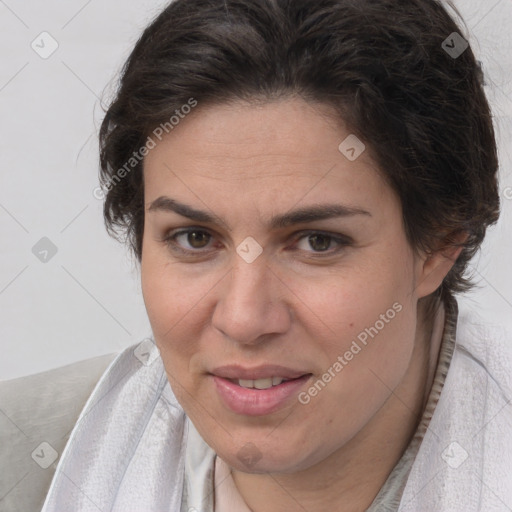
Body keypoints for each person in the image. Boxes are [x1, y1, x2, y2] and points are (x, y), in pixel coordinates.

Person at [6, 0, 512, 510]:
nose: (244, 319)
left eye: (318, 242)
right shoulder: (23, 461)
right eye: (195, 238)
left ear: (442, 243)